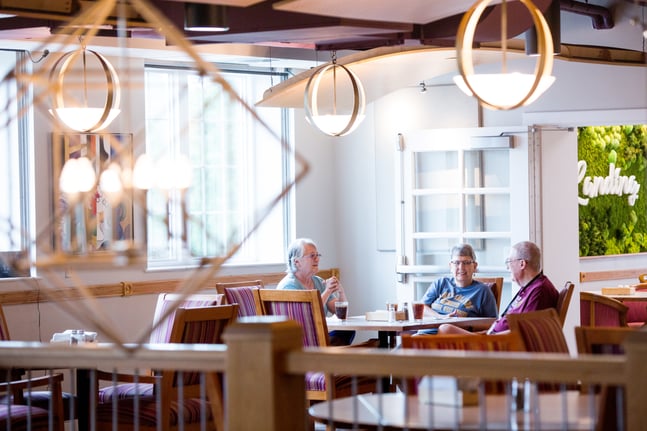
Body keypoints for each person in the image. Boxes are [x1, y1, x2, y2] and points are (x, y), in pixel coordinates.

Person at [438, 240, 559, 335]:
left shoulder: (539, 290)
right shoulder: (531, 287)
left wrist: (491, 336)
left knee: (445, 329)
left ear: (522, 264)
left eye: (509, 261)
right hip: (495, 337)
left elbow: (526, 333)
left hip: (501, 345)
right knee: (446, 329)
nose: (507, 267)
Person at [277, 238, 355, 346]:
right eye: (312, 256)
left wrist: (340, 292)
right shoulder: (289, 286)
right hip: (300, 340)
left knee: (347, 331)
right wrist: (327, 291)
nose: (317, 259)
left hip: (318, 335)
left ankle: (327, 359)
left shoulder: (318, 281)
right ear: (297, 262)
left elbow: (341, 314)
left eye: (318, 255)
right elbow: (307, 314)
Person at [420, 243, 498, 319]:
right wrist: (441, 317)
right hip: (426, 330)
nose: (461, 267)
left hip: (455, 331)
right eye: (457, 263)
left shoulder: (483, 291)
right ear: (450, 266)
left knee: (446, 328)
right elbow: (421, 308)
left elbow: (492, 323)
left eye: (466, 263)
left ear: (474, 266)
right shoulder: (441, 283)